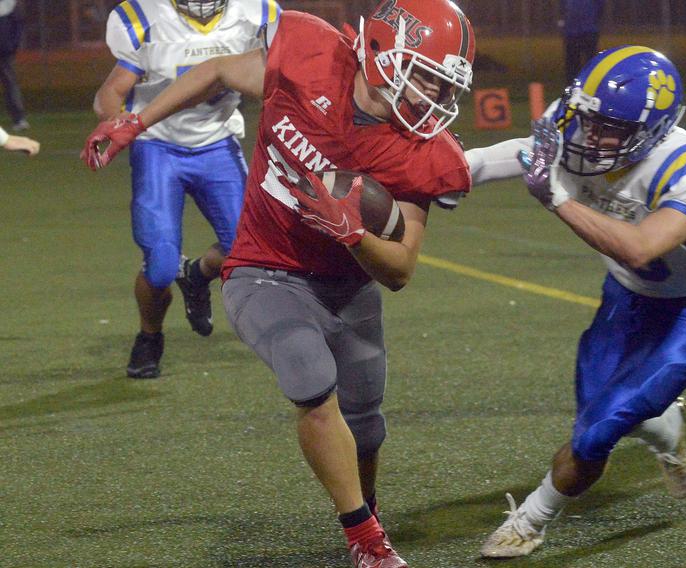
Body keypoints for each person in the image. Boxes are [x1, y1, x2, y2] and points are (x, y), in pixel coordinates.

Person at [82, 1, 475, 566]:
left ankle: (368, 511)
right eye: (426, 78)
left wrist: (352, 234)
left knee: (365, 423)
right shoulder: (311, 54)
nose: (433, 99)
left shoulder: (425, 153)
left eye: (444, 86)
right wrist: (134, 121)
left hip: (348, 285)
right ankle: (365, 540)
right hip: (263, 266)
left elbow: (401, 270)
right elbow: (217, 69)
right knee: (311, 379)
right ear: (381, 53)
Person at [465, 46, 686, 558]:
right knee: (601, 415)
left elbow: (640, 248)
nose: (591, 136)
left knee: (596, 435)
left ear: (655, 128)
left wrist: (558, 198)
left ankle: (532, 519)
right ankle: (667, 429)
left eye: (610, 127)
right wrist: (456, 168)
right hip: (625, 298)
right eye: (588, 119)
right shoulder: (574, 120)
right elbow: (528, 153)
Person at [88, 0, 279, 379]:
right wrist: (117, 120)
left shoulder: (257, 12)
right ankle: (150, 335)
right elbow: (112, 90)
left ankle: (196, 275)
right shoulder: (147, 15)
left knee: (251, 249)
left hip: (217, 143)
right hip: (157, 145)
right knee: (159, 267)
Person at [559, 0, 606, 84]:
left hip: (587, 29)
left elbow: (600, 7)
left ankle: (589, 84)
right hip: (576, 30)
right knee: (574, 62)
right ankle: (573, 85)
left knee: (589, 61)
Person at [0, 0, 28, 131]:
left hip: (5, 51)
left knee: (10, 84)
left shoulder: (10, 4)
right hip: (6, 49)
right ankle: (19, 119)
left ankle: (19, 119)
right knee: (11, 84)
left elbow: (18, 25)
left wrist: (13, 45)